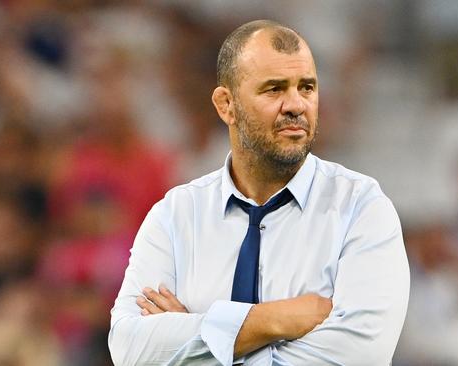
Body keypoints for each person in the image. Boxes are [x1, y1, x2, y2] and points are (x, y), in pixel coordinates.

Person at [108, 20, 410, 366]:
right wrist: (275, 320)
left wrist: (198, 336)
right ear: (226, 105)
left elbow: (358, 357)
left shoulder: (362, 209)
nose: (296, 105)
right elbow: (130, 349)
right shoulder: (176, 215)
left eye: (307, 87)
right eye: (274, 89)